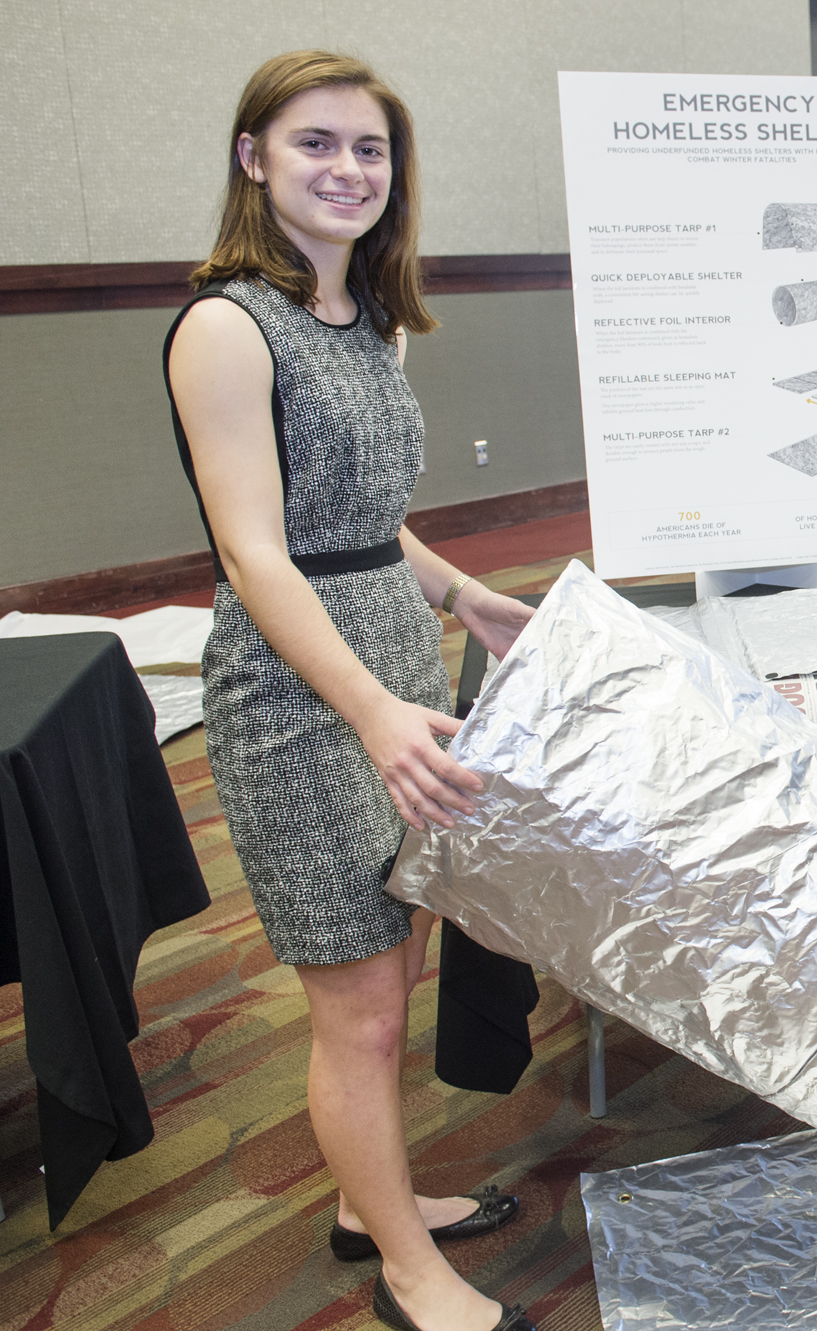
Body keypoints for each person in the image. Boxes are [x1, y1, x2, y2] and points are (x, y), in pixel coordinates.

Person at [164, 51, 539, 1331]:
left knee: (401, 937)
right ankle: (403, 1263)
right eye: (315, 143)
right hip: (294, 683)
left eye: (369, 149)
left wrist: (460, 595)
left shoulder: (365, 315)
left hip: (386, 643)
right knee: (361, 1001)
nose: (347, 170)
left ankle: (359, 1198)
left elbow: (367, 518)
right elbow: (259, 551)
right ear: (252, 156)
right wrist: (369, 708)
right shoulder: (226, 324)